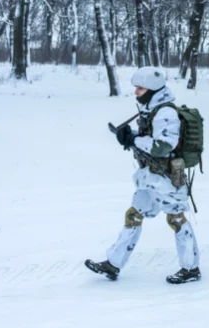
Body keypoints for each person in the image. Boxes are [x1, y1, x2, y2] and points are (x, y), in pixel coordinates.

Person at [85, 67, 201, 284]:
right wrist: (129, 136)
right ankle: (113, 263)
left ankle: (191, 269)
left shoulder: (166, 113)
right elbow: (150, 138)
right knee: (133, 215)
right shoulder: (151, 109)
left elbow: (163, 146)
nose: (136, 92)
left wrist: (133, 140)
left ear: (153, 89)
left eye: (140, 88)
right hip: (150, 176)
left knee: (176, 219)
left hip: (168, 178)